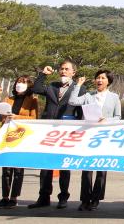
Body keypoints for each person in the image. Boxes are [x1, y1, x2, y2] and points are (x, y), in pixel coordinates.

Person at [29, 60, 84, 209]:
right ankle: (44, 196)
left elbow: (81, 111)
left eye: (67, 69)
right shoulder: (52, 86)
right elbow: (37, 88)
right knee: (45, 165)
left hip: (67, 132)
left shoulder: (79, 88)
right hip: (49, 132)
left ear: (73, 72)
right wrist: (43, 74)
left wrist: (77, 127)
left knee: (64, 166)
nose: (63, 71)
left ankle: (63, 197)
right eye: (61, 69)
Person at [67, 70, 121, 211]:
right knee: (87, 169)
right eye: (97, 78)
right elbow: (72, 101)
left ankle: (96, 199)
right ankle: (85, 199)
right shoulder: (88, 95)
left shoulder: (114, 97)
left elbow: (118, 117)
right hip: (88, 136)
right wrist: (77, 85)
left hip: (105, 136)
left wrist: (106, 120)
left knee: (101, 170)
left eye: (102, 78)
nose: (99, 80)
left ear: (108, 81)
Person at [0, 75, 39, 209]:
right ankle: (5, 197)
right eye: (18, 82)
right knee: (6, 168)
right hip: (7, 135)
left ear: (29, 86)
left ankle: (14, 197)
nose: (19, 84)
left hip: (21, 135)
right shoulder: (8, 99)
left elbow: (34, 118)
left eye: (23, 83)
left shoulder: (32, 100)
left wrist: (17, 117)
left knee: (17, 168)